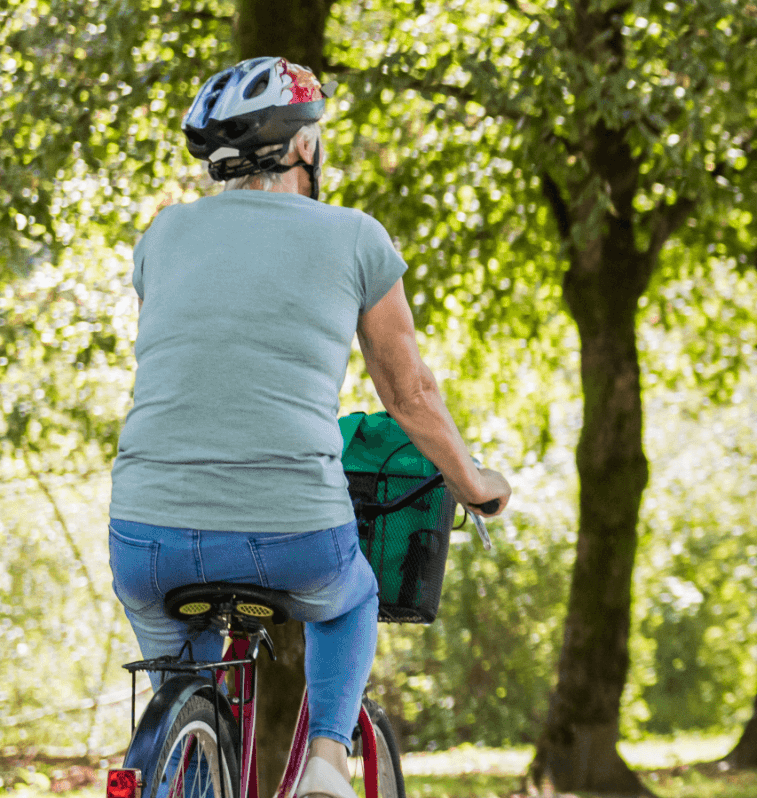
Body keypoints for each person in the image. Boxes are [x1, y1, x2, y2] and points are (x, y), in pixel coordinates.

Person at [108, 56, 513, 798]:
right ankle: (327, 760)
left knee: (185, 678)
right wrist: (476, 485)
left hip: (145, 535)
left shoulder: (162, 236)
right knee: (350, 596)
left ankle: (183, 759)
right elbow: (410, 392)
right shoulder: (355, 237)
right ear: (301, 145)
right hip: (290, 531)